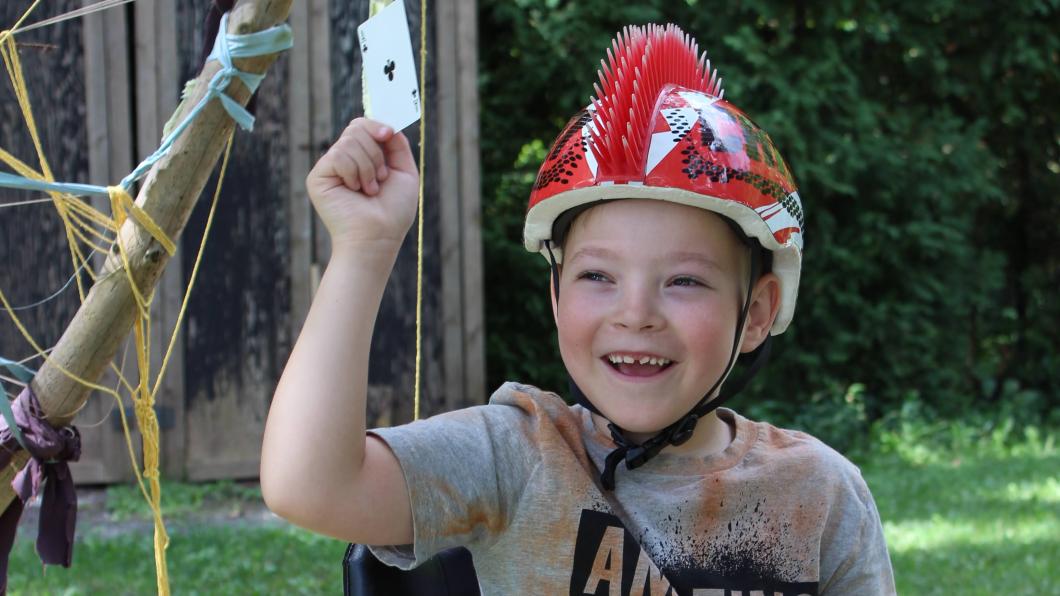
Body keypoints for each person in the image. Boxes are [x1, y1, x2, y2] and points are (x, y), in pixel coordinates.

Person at [261, 23, 896, 595]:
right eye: (597, 275)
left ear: (756, 312)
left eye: (684, 281)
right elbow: (308, 484)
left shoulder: (821, 494)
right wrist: (364, 248)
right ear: (557, 298)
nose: (636, 312)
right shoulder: (515, 457)